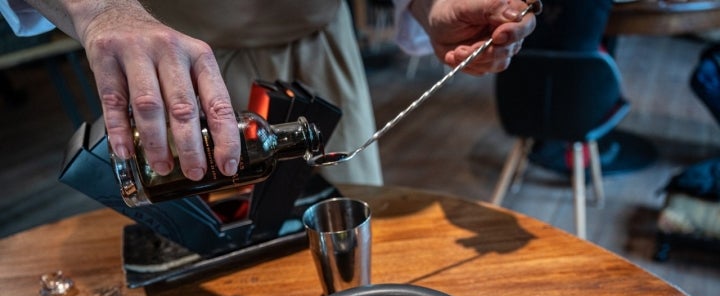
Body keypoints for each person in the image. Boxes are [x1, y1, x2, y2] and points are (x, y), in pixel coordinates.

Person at [1, 0, 536, 187]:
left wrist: (429, 4)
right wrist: (99, 9)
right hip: (164, 64)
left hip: (321, 53)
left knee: (346, 218)